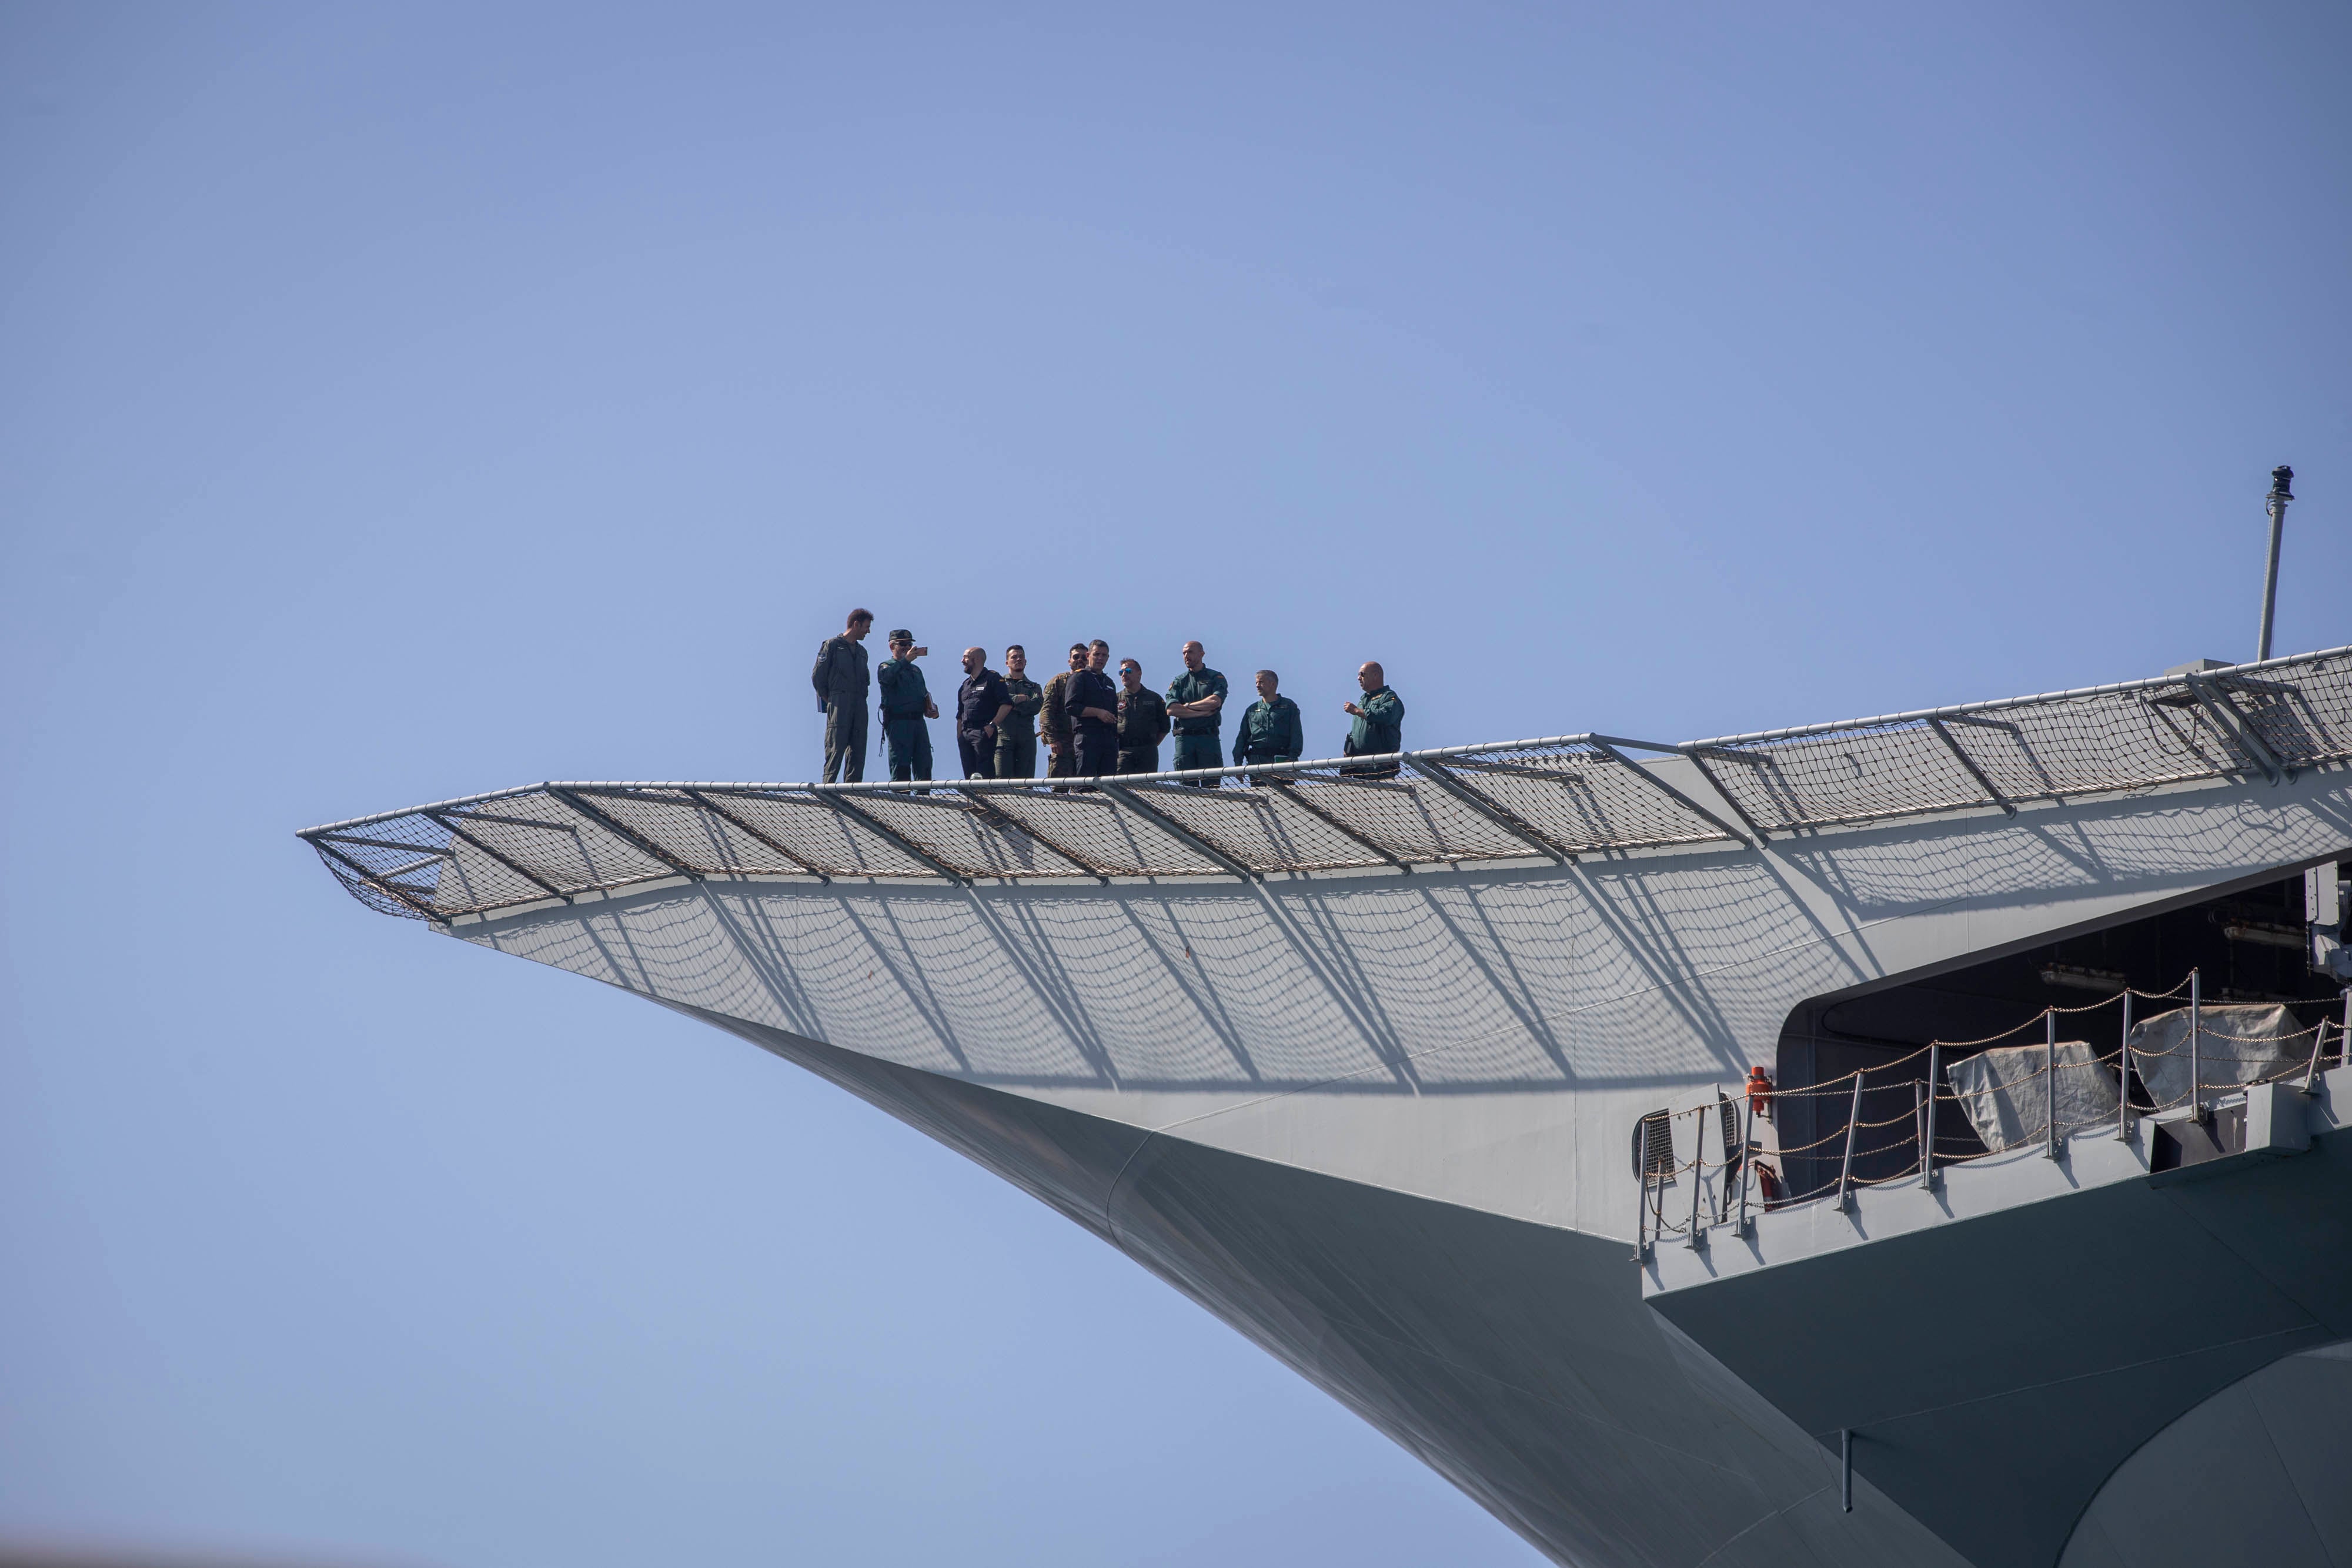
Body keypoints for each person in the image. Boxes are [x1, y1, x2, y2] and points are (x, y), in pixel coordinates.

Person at [809, 607, 873, 783]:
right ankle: (828, 789)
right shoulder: (832, 646)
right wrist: (831, 701)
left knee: (858, 749)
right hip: (839, 702)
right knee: (836, 746)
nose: (868, 631)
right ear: (856, 624)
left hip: (860, 704)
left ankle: (854, 792)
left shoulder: (862, 652)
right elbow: (818, 678)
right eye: (866, 627)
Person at [877, 630, 938, 784]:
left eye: (910, 644)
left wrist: (931, 709)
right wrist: (905, 662)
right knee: (901, 766)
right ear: (892, 646)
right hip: (899, 723)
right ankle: (901, 801)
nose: (908, 648)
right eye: (903, 644)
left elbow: (923, 694)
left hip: (918, 722)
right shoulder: (886, 666)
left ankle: (924, 800)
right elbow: (887, 680)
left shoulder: (916, 670)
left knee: (924, 763)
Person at [1164, 640, 1228, 785]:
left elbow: (1215, 702)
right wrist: (1201, 712)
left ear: (1202, 654)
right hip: (1185, 739)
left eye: (1190, 652)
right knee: (1187, 788)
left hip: (1208, 738)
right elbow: (1172, 710)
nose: (1187, 656)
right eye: (1184, 653)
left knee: (1212, 786)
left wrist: (1187, 706)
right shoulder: (1180, 681)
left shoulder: (1215, 677)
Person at [1232, 669, 1304, 777]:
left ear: (1273, 684)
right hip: (1257, 761)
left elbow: (1296, 734)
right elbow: (1242, 738)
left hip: (1282, 761)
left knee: (1284, 793)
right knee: (1259, 793)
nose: (1257, 686)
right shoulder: (1252, 710)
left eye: (1261, 682)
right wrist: (1238, 764)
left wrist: (1293, 758)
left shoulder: (1289, 707)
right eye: (1256, 683)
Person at [955, 647, 1014, 780]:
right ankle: (973, 799)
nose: (962, 661)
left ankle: (986, 798)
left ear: (976, 659)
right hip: (966, 734)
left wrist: (992, 726)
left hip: (983, 732)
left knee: (984, 774)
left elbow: (1006, 704)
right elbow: (960, 714)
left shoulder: (993, 679)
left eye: (965, 657)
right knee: (969, 776)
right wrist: (960, 736)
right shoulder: (965, 685)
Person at [1066, 639, 1120, 778]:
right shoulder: (1079, 677)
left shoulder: (1109, 683)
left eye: (1104, 655)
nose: (1100, 658)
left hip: (1108, 740)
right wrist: (1098, 713)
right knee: (1086, 784)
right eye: (1097, 654)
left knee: (1109, 785)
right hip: (1087, 737)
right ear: (1088, 655)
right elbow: (1071, 707)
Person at [1340, 661, 1404, 778]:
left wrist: (1357, 711)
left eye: (1362, 674)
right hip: (1360, 769)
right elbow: (1356, 733)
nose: (1359, 678)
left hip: (1381, 767)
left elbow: (1386, 716)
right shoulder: (1363, 701)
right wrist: (1348, 750)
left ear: (1376, 675)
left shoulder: (1389, 697)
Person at [1040, 642, 1088, 783]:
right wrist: (1053, 740)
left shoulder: (1093, 682)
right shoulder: (1059, 682)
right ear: (1069, 661)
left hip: (1085, 745)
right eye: (1076, 657)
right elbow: (1046, 712)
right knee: (1059, 791)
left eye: (1084, 657)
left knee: (1085, 790)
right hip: (1062, 745)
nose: (1080, 660)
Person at [1115, 657, 1170, 775]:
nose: (1124, 675)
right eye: (1121, 672)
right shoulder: (1115, 699)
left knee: (1148, 789)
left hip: (1147, 751)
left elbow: (1165, 727)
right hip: (1124, 750)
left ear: (1139, 673)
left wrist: (1151, 745)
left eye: (1128, 671)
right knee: (1119, 786)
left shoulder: (1154, 698)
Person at [996, 645, 1043, 781]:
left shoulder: (1034, 687)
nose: (1018, 659)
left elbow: (1036, 706)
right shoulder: (998, 683)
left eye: (1021, 657)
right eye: (1014, 657)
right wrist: (1018, 699)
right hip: (1004, 737)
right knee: (1001, 781)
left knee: (1025, 783)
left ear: (1026, 661)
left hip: (1026, 738)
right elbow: (995, 701)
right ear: (1007, 663)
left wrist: (1010, 706)